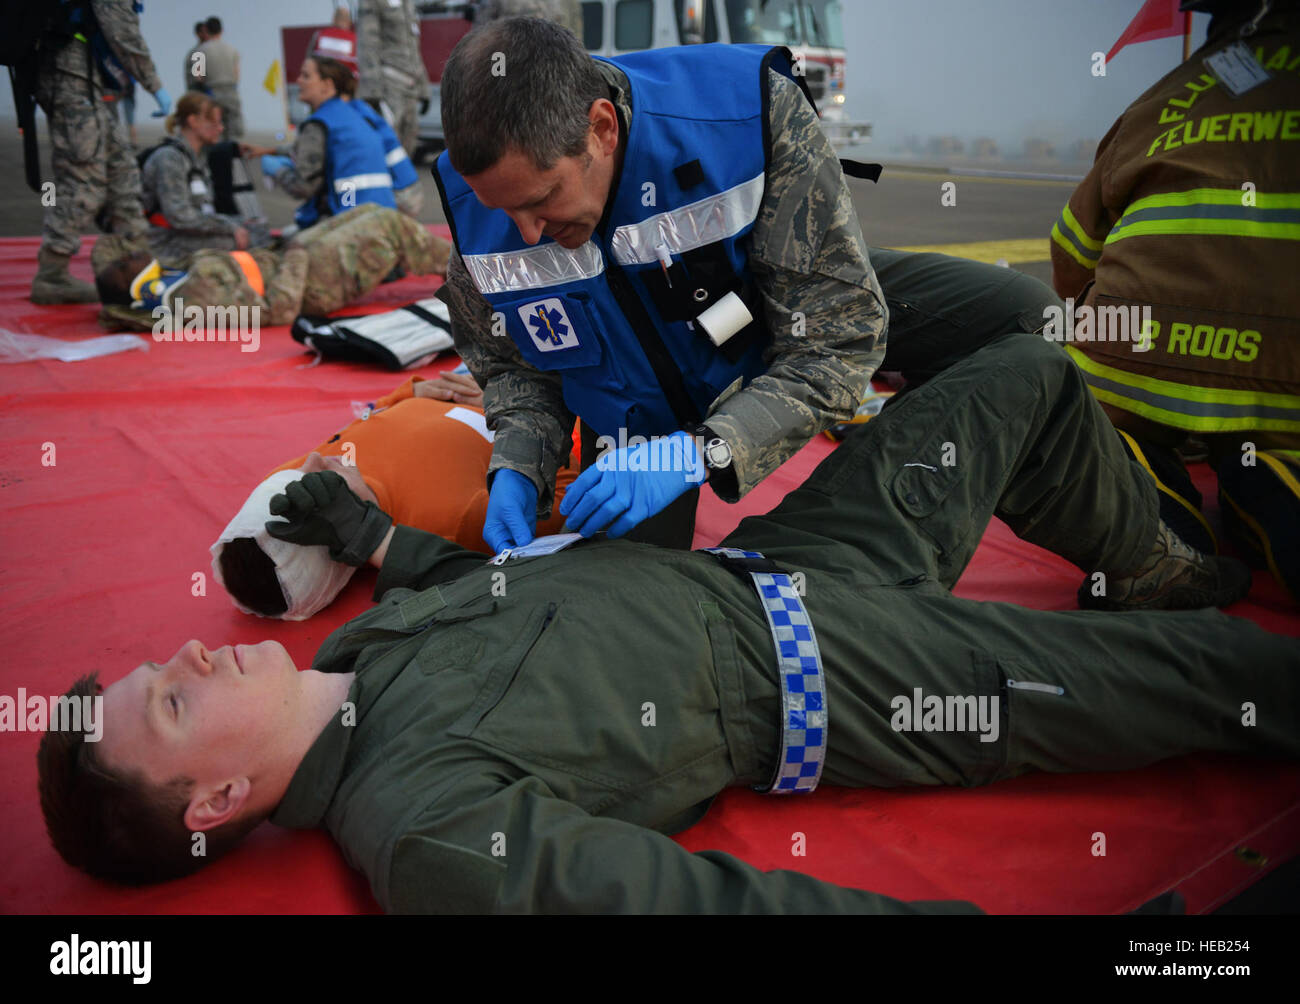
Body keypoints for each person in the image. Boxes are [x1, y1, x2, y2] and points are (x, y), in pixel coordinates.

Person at [36, 332, 1295, 910]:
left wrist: (370, 536)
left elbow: (439, 587)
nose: (192, 651)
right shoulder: (422, 824)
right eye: (173, 699)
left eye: (167, 662)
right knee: (1203, 675)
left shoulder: (356, 652)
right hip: (833, 668)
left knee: (1025, 370)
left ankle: (1158, 563)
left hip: (785, 557)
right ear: (210, 804)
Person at [1050, 0, 1300, 604]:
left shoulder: (1159, 100)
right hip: (1283, 378)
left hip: (1132, 368)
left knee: (1095, 428)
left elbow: (1070, 253)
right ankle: (1274, 476)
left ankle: (1152, 512)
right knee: (1274, 444)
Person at [212, 371, 581, 620]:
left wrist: (411, 393)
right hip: (543, 395)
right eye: (317, 486)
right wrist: (520, 418)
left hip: (462, 379)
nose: (312, 459)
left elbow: (368, 420)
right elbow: (571, 492)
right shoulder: (455, 520)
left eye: (290, 475)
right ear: (343, 545)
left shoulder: (322, 469)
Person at [92, 203, 450, 329]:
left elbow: (108, 248)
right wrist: (294, 256)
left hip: (291, 262)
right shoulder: (196, 298)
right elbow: (278, 310)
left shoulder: (171, 278)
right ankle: (469, 274)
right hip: (310, 284)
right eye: (125, 266)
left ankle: (456, 264)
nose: (130, 256)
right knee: (388, 225)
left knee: (373, 211)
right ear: (142, 288)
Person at [29, 0, 171, 305]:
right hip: (69, 78)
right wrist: (154, 85)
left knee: (122, 166)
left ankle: (139, 257)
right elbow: (122, 31)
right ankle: (52, 274)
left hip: (83, 80)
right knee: (85, 179)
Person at [251, 57, 401, 230]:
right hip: (385, 218)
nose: (298, 80)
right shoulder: (353, 116)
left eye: (306, 76)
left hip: (355, 225)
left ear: (327, 85)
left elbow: (303, 187)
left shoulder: (319, 124)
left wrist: (277, 170)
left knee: (292, 243)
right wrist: (273, 151)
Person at [139, 92, 268, 265]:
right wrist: (228, 227)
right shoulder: (169, 159)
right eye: (214, 122)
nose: (220, 128)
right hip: (165, 241)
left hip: (187, 233)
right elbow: (180, 216)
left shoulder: (196, 159)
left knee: (255, 228)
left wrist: (234, 224)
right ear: (194, 121)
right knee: (241, 241)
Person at [357, 0, 431, 156]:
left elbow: (414, 48)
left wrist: (424, 88)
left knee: (408, 147)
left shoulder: (408, 4)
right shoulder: (373, 3)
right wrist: (371, 90)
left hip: (410, 86)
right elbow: (367, 43)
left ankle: (402, 179)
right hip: (389, 84)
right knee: (388, 145)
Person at [195, 16, 243, 141]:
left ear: (205, 30)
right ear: (222, 31)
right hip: (231, 94)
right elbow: (237, 75)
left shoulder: (199, 51)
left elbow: (198, 77)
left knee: (214, 132)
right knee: (233, 132)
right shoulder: (233, 50)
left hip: (211, 93)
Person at [475, 0, 584, 35]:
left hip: (556, 63)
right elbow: (482, 32)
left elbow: (576, 30)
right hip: (511, 63)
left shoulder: (569, 2)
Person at [183, 20, 209, 93]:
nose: (207, 34)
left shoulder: (205, 50)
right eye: (204, 32)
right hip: (199, 92)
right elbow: (199, 77)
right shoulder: (198, 52)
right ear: (198, 34)